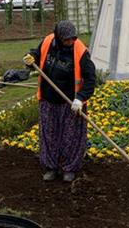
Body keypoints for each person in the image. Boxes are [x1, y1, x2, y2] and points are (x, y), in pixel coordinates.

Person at [23, 20, 96, 183]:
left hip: (71, 103)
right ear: (58, 37)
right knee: (49, 134)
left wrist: (80, 98)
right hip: (48, 100)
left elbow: (91, 78)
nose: (70, 42)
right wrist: (31, 58)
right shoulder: (48, 41)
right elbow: (37, 54)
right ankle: (51, 167)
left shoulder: (80, 51)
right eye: (66, 39)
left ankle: (69, 168)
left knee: (70, 136)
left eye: (72, 38)